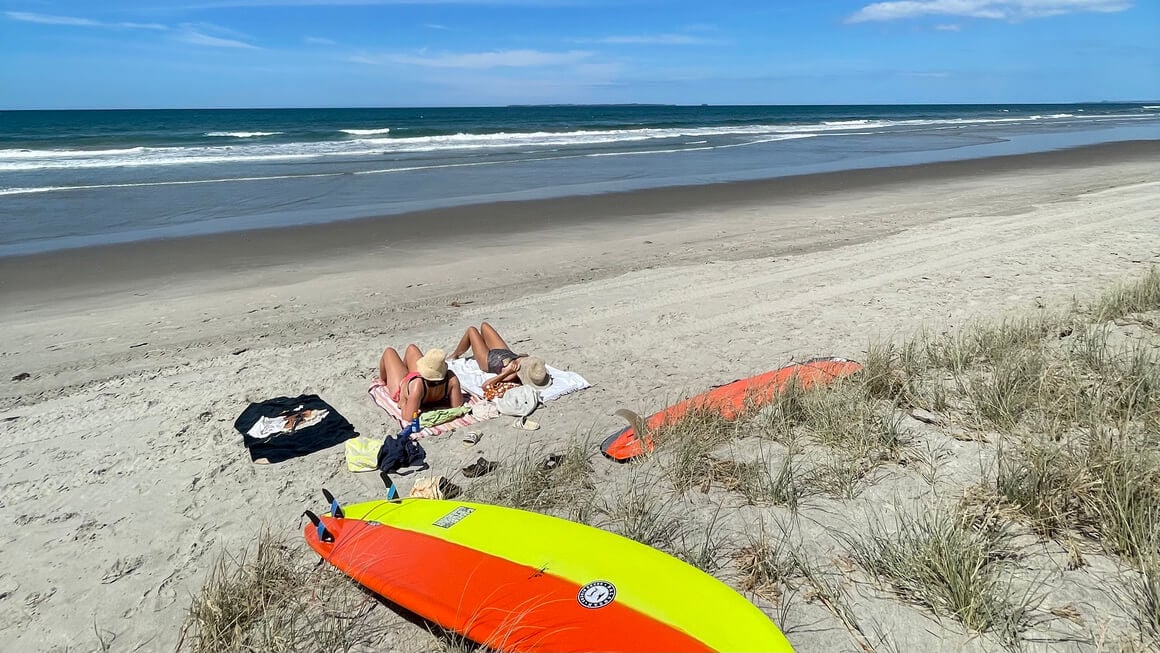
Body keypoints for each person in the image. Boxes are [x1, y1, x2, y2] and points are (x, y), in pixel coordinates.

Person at [449, 322, 552, 392]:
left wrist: (504, 374)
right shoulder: (528, 363)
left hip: (489, 360)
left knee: (471, 330)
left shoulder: (513, 374)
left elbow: (485, 386)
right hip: (504, 352)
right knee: (484, 325)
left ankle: (455, 355)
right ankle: (481, 346)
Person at [378, 345, 464, 421]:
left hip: (401, 387)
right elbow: (457, 405)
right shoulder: (451, 379)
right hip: (423, 382)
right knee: (411, 348)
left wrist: (403, 401)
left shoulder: (417, 386)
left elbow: (408, 418)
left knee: (389, 351)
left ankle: (383, 380)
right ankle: (403, 369)